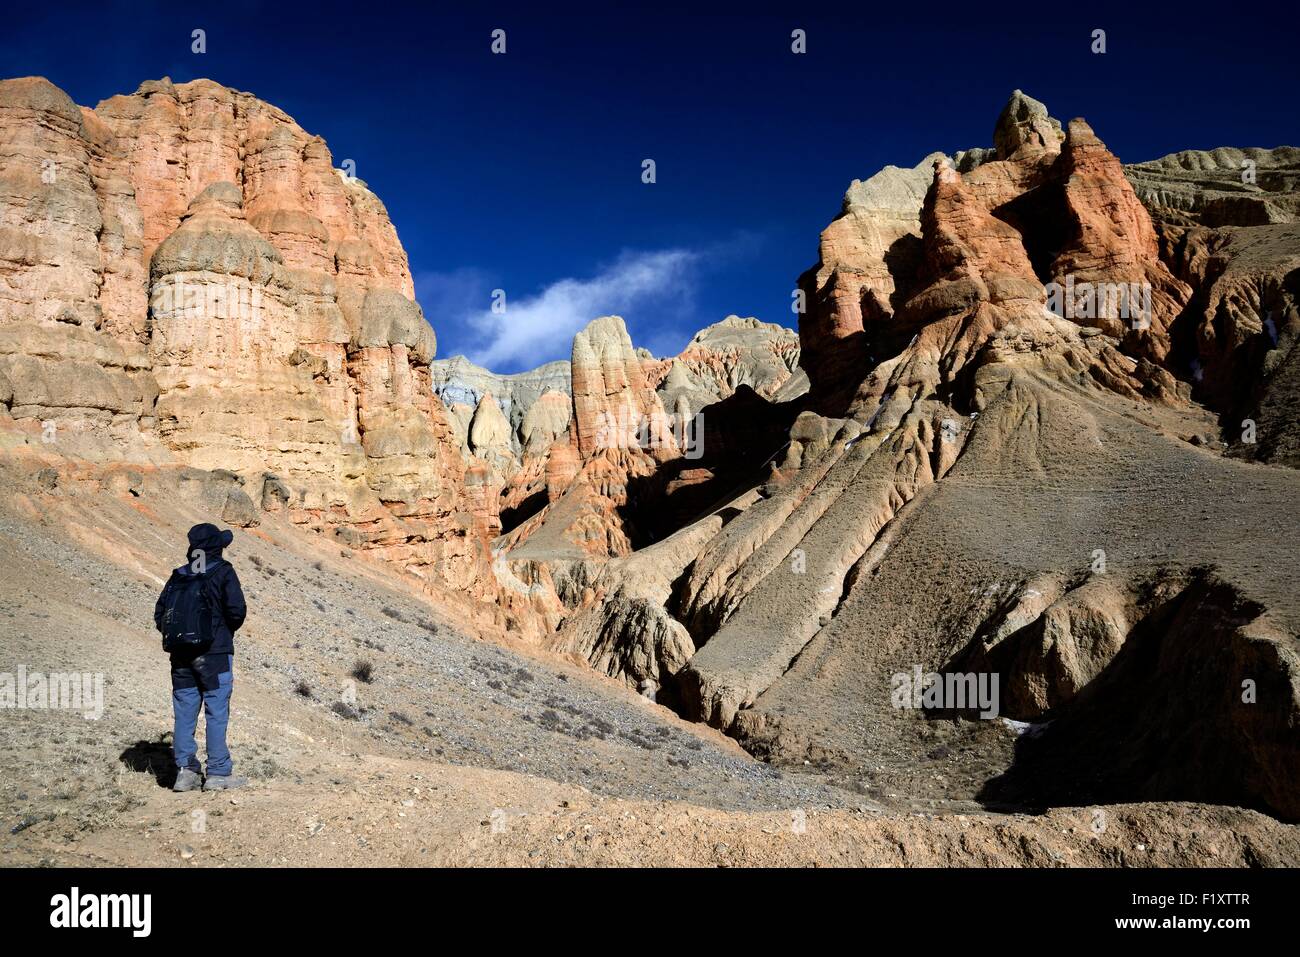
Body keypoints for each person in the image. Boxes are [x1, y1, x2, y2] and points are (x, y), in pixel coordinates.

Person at [154, 523, 248, 792]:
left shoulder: (179, 575)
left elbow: (160, 616)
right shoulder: (222, 572)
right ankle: (218, 773)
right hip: (214, 656)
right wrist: (221, 633)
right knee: (216, 712)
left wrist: (183, 639)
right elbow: (236, 610)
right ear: (217, 547)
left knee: (184, 712)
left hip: (181, 657)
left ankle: (186, 773)